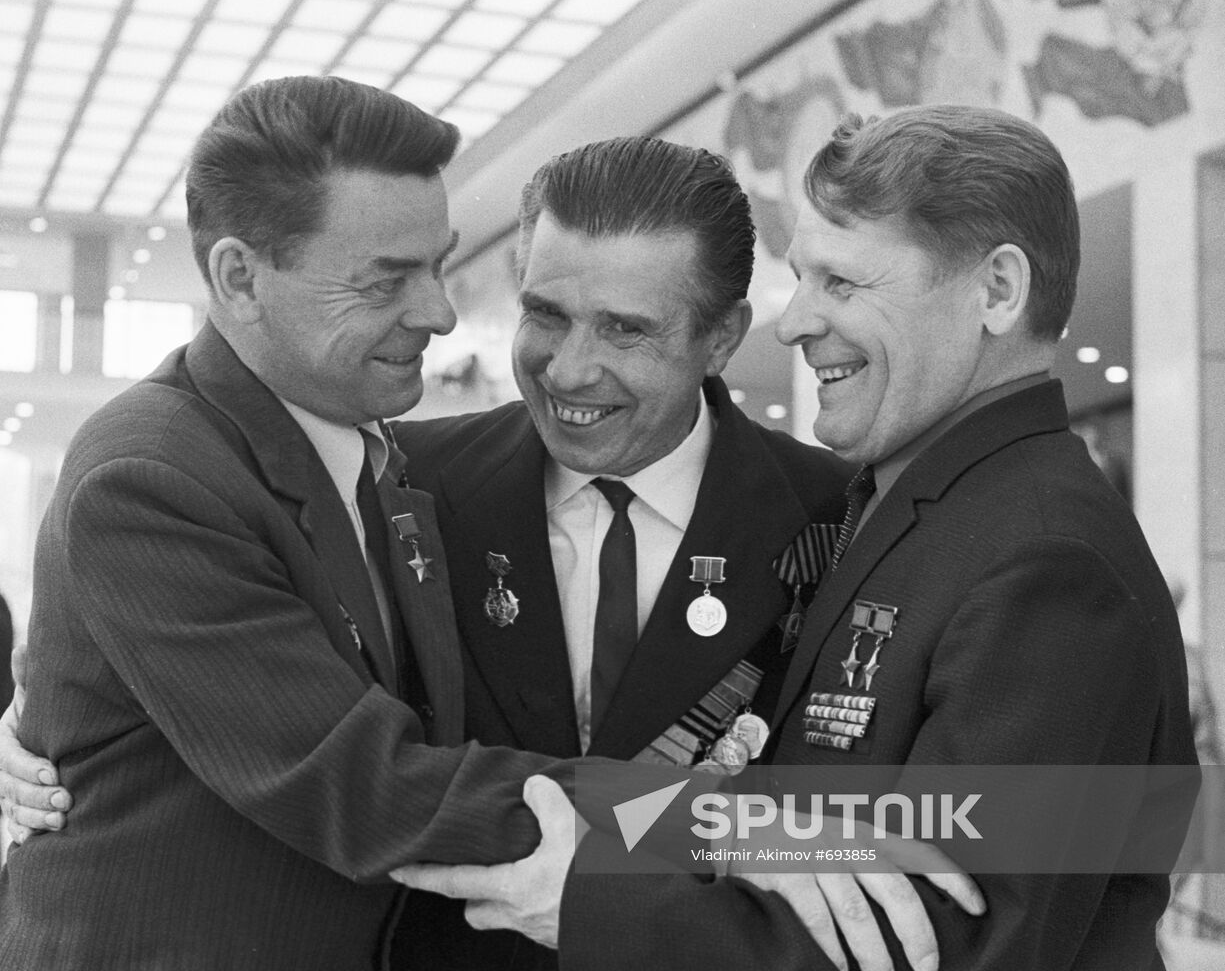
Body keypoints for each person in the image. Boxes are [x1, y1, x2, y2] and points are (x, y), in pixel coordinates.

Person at [0, 128, 982, 970]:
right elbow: (298, 728)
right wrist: (52, 721)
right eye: (545, 313)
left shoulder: (840, 519)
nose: (568, 367)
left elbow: (970, 814)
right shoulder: (395, 484)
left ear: (720, 337)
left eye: (625, 330)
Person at [396, 106, 1198, 970]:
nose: (795, 323)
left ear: (997, 292)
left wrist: (586, 898)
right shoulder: (916, 512)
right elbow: (799, 825)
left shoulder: (1042, 558)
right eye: (802, 280)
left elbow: (954, 939)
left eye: (843, 284)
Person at [0, 74, 573, 970]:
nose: (439, 312)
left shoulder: (375, 452)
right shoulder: (149, 479)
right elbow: (364, 788)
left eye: (437, 262)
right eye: (386, 281)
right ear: (240, 277)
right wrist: (723, 828)